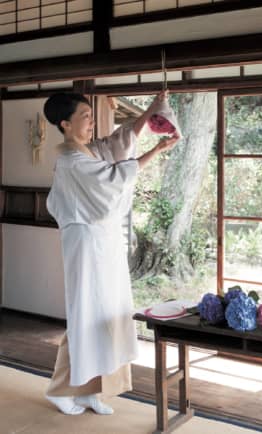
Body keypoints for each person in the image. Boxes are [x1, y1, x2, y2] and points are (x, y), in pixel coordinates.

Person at [43, 91, 180, 415]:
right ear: (65, 124)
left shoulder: (85, 151)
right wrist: (157, 150)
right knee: (86, 317)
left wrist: (150, 111)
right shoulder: (70, 160)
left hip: (105, 245)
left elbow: (117, 145)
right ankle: (62, 389)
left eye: (91, 115)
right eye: (85, 117)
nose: (91, 122)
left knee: (110, 315)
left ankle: (93, 390)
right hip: (87, 246)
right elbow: (111, 178)